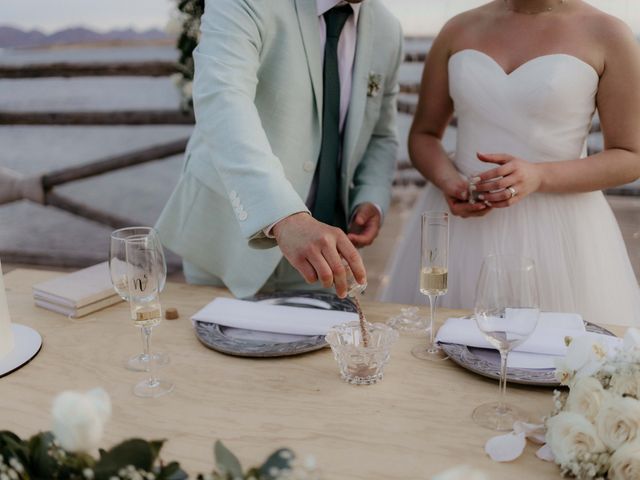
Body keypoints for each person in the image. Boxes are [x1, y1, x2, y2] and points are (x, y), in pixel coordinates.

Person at [380, 0, 640, 326]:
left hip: (560, 233)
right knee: (438, 352)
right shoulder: (457, 28)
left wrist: (539, 176)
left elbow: (630, 155)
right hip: (462, 225)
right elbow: (424, 134)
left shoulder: (608, 33)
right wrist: (449, 180)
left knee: (551, 359)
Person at [155, 0, 403, 298]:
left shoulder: (389, 30)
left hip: (325, 260)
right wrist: (285, 217)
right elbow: (223, 98)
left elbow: (381, 134)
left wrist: (371, 198)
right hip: (225, 242)